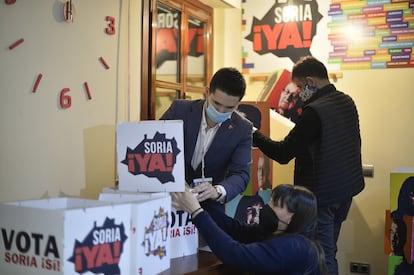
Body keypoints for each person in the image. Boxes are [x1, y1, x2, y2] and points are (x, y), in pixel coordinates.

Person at [252, 56, 365, 275]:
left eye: (301, 87)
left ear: (311, 81)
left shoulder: (315, 112)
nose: (299, 93)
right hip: (346, 190)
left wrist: (254, 134)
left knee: (320, 255)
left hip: (322, 196)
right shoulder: (346, 101)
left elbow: (284, 152)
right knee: (329, 249)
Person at [172, 184, 329, 275]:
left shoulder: (298, 247)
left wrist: (197, 212)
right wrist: (199, 201)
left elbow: (236, 254)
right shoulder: (274, 232)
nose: (268, 206)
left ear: (291, 217)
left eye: (276, 205)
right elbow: (235, 229)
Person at [160, 67, 252, 212]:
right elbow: (156, 147)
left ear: (238, 104)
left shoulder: (242, 129)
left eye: (229, 108)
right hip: (168, 200)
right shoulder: (179, 110)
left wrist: (217, 191)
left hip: (208, 207)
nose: (220, 111)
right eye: (216, 104)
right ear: (207, 92)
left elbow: (241, 174)